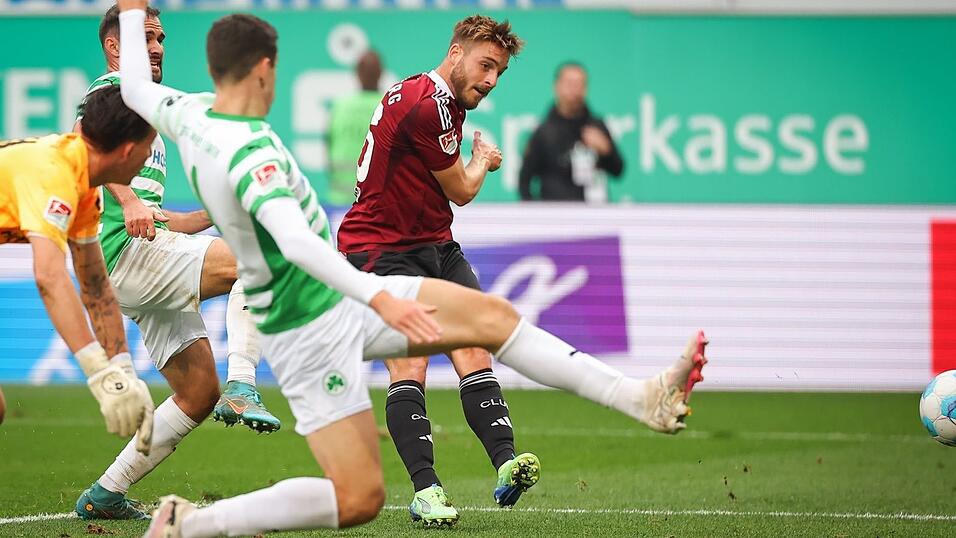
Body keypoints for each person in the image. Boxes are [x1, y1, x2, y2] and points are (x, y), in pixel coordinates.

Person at [113, 4, 708, 535]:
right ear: (266, 69)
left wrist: (133, 10)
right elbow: (296, 244)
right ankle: (640, 398)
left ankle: (188, 524)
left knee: (359, 497)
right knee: (491, 321)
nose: (491, 79)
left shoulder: (190, 115)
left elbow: (135, 85)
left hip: (297, 328)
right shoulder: (254, 154)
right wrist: (377, 298)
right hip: (326, 312)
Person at [74, 5, 280, 522]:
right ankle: (243, 382)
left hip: (140, 257)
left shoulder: (144, 113)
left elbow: (163, 220)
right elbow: (82, 142)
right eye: (146, 36)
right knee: (254, 260)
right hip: (124, 254)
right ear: (115, 46)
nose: (158, 47)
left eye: (161, 38)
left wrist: (215, 213)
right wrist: (128, 201)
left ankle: (105, 492)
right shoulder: (113, 89)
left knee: (197, 391)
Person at [336, 16, 533, 526]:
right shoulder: (429, 105)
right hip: (382, 250)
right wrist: (483, 159)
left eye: (499, 71)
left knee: (476, 343)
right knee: (410, 365)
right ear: (456, 52)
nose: (491, 80)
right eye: (486, 65)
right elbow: (462, 190)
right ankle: (426, 490)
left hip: (434, 244)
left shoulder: (437, 98)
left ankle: (507, 462)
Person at [0, 85, 155, 449]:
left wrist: (124, 373)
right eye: (149, 148)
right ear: (128, 151)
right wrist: (99, 374)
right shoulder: (55, 174)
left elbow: (96, 287)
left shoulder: (84, 183)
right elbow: (49, 277)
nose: (149, 157)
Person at [519, 62, 624, 203]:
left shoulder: (596, 126)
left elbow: (618, 170)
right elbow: (524, 180)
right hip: (555, 211)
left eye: (580, 84)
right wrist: (535, 213)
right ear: (556, 86)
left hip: (593, 211)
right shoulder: (544, 132)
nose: (574, 89)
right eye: (569, 83)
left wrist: (606, 150)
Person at [327, 49, 383, 206]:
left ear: (357, 74)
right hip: (374, 203)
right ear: (380, 73)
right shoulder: (388, 105)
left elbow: (328, 147)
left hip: (340, 199)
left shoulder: (340, 107)